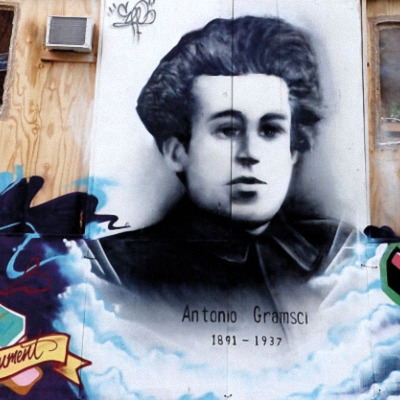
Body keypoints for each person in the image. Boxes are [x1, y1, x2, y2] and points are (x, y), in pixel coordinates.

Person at [89, 16, 353, 310]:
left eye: (270, 130)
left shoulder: (342, 252)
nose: (250, 153)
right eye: (228, 130)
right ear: (177, 152)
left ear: (293, 150)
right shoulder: (113, 269)